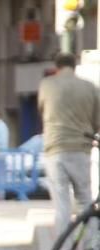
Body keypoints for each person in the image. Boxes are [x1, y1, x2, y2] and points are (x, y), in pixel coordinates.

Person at [37, 51, 100, 232]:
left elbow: (42, 111)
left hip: (55, 148)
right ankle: (88, 247)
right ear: (75, 65)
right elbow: (97, 122)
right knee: (85, 200)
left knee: (61, 205)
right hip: (81, 149)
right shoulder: (90, 87)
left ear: (56, 67)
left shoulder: (47, 85)